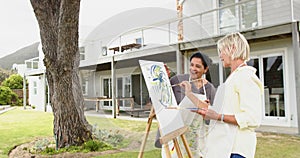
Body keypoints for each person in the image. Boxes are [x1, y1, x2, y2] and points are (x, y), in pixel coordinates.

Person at [180, 32, 263, 158]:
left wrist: (219, 116)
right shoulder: (233, 77)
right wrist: (191, 95)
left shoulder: (246, 77)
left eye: (222, 51)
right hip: (223, 148)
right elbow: (219, 111)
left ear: (233, 48)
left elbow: (252, 118)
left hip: (236, 150)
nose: (220, 55)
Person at [156, 52, 217, 158]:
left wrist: (205, 110)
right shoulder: (178, 80)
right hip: (175, 133)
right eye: (192, 65)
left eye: (198, 66)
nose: (193, 68)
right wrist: (162, 79)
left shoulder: (210, 89)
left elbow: (211, 119)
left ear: (205, 69)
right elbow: (161, 98)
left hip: (196, 136)